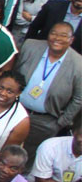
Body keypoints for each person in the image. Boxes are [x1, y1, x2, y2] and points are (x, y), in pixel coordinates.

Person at [15, 23, 82, 154]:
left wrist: (61, 122)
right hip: (15, 109)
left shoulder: (79, 64)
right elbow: (13, 72)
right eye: (54, 33)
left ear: (71, 40)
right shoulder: (30, 46)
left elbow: (79, 98)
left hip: (45, 121)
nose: (57, 38)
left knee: (29, 156)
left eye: (63, 35)